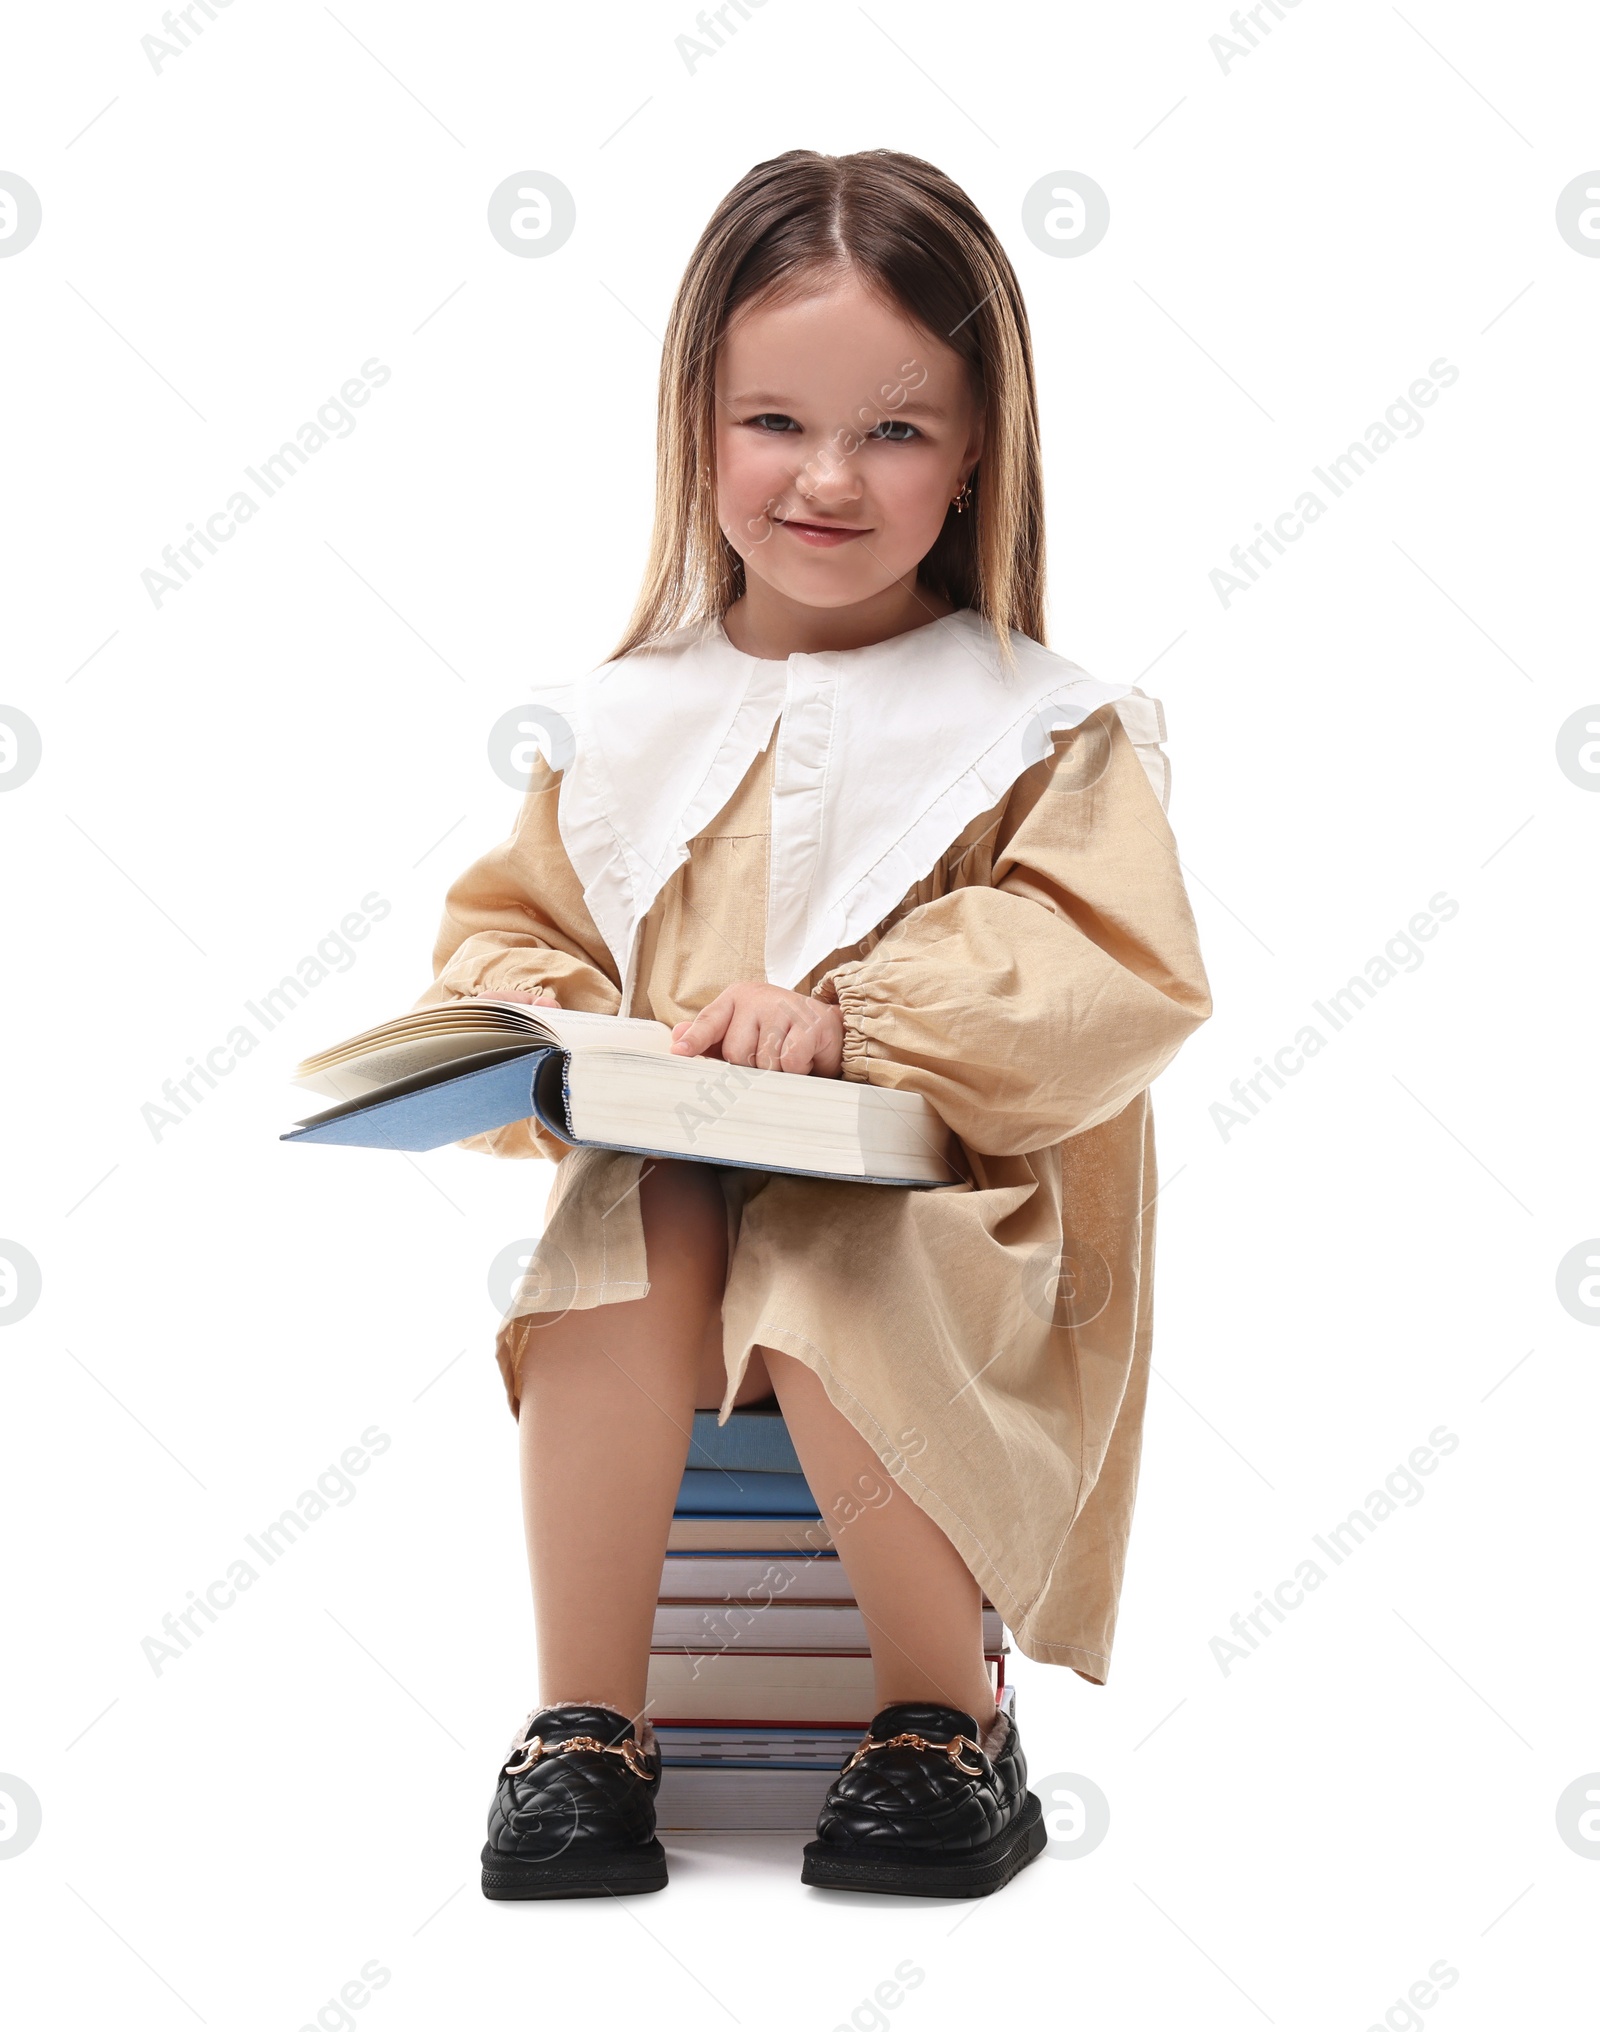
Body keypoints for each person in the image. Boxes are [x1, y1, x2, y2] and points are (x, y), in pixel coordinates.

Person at [412, 148, 1212, 1902]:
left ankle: (940, 1716)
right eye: (776, 420)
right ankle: (582, 1725)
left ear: (982, 447)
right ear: (697, 429)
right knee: (630, 1214)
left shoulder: (1037, 727)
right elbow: (516, 931)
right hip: (680, 1200)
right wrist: (527, 1010)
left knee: (836, 1246)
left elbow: (1103, 967)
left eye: (900, 432)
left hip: (949, 1229)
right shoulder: (625, 725)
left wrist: (859, 1015)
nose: (830, 478)